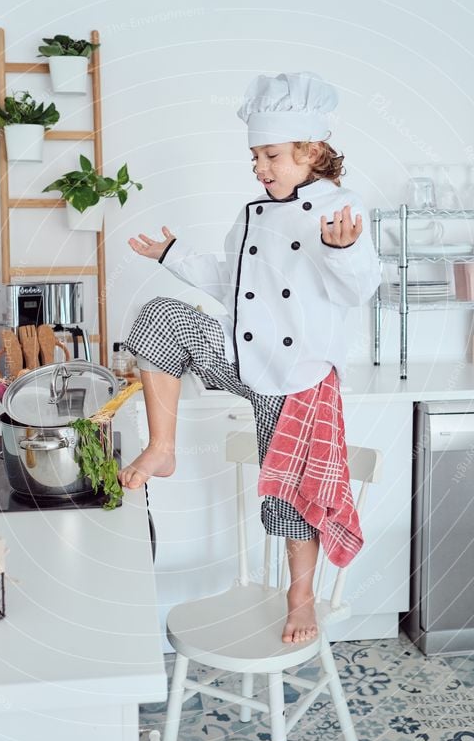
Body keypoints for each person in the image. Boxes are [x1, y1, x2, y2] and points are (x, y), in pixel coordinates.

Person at [119, 72, 382, 645]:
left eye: (272, 155)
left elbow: (360, 286)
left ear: (311, 152)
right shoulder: (254, 212)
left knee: (288, 492)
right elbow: (231, 282)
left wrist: (342, 252)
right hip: (244, 356)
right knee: (160, 317)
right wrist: (173, 254)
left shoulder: (340, 209)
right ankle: (163, 449)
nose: (261, 167)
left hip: (295, 379)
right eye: (255, 157)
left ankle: (300, 595)